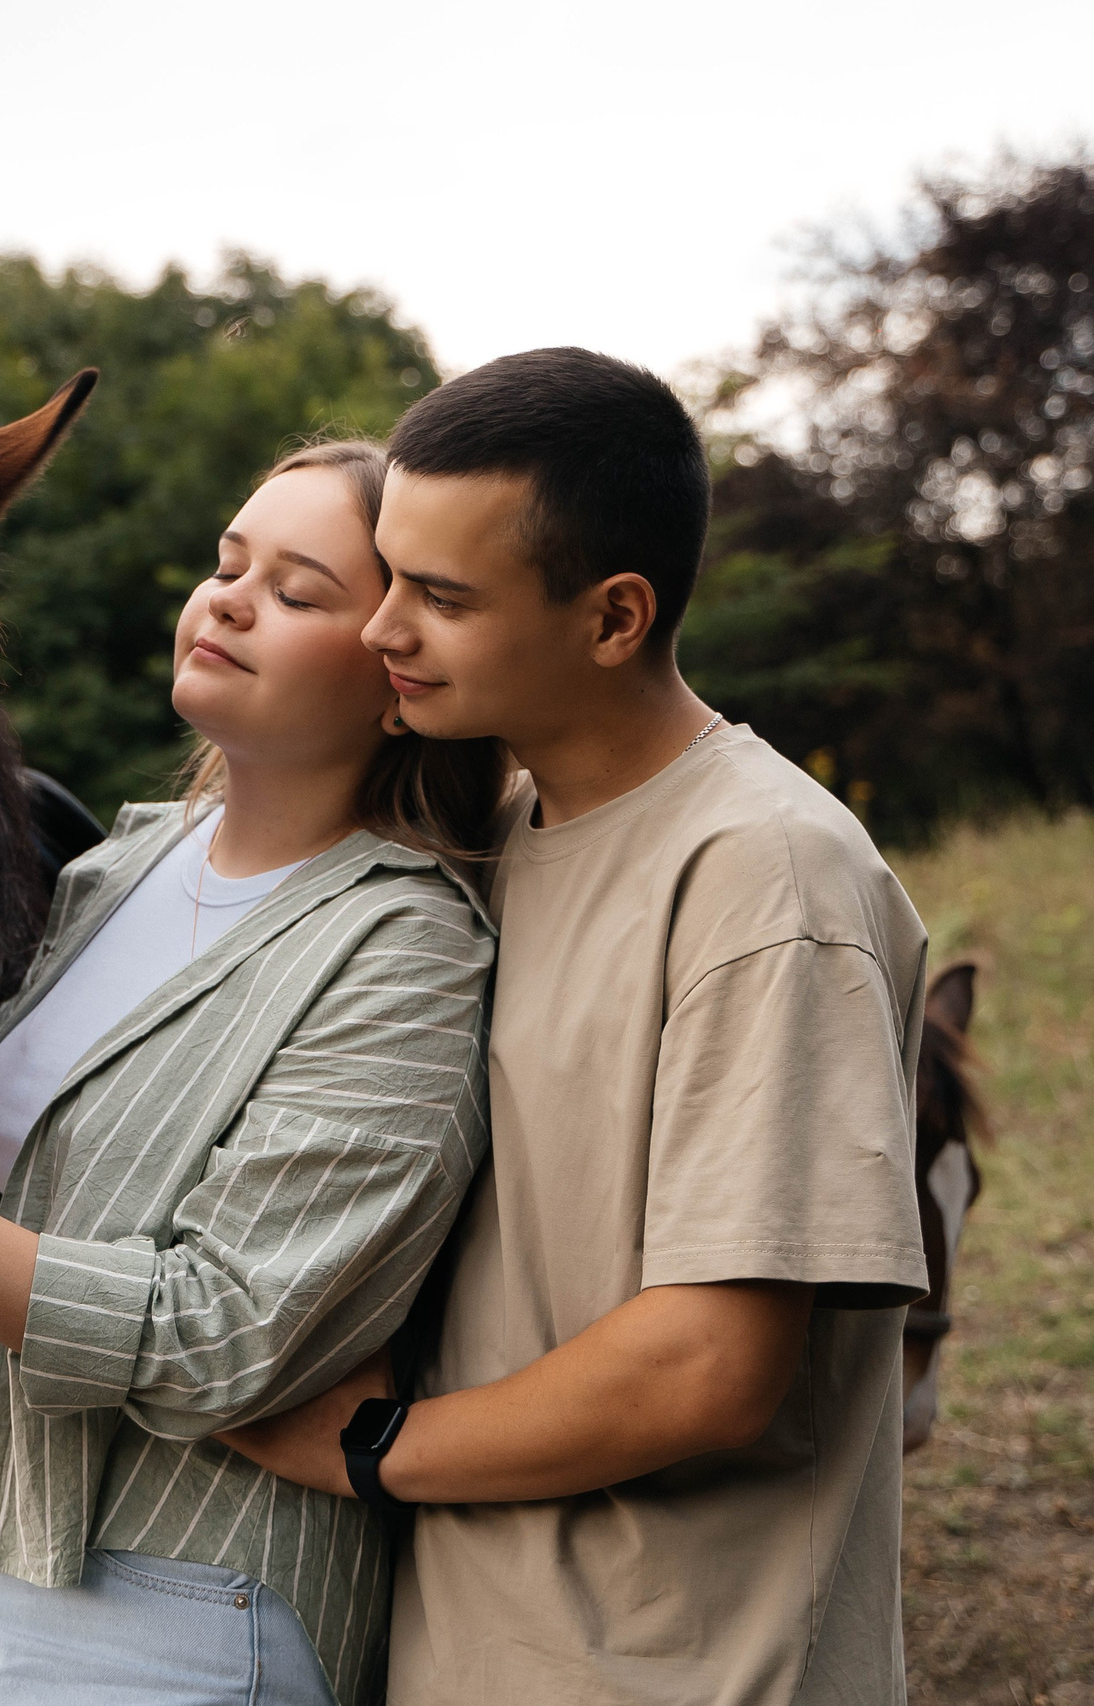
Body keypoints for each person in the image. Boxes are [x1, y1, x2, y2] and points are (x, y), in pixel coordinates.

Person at [0, 441, 507, 1705]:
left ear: (397, 677)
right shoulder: (121, 870)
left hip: (184, 1599)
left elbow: (229, 1328)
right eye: (226, 564)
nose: (228, 598)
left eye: (296, 592)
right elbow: (11, 1187)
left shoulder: (404, 947)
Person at [219, 350, 930, 1705]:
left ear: (614, 618)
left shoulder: (766, 877)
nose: (382, 629)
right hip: (470, 1652)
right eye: (389, 576)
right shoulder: (489, 834)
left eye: (442, 597)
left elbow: (708, 1363)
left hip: (689, 1666)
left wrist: (370, 1445)